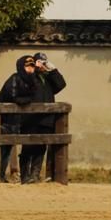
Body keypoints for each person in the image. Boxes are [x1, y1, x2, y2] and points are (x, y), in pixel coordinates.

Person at [0, 55, 37, 182]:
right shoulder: (14, 78)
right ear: (21, 66)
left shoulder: (33, 81)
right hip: (2, 120)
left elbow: (34, 95)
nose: (30, 68)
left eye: (32, 65)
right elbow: (13, 96)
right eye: (27, 65)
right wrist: (27, 100)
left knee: (7, 150)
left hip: (15, 121)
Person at [19, 52, 66, 184]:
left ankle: (35, 174)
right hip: (30, 118)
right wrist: (33, 69)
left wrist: (53, 70)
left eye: (43, 62)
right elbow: (25, 84)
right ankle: (24, 175)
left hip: (46, 119)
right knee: (27, 146)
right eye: (38, 62)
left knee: (41, 147)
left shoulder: (48, 78)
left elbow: (61, 85)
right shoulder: (29, 76)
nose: (41, 65)